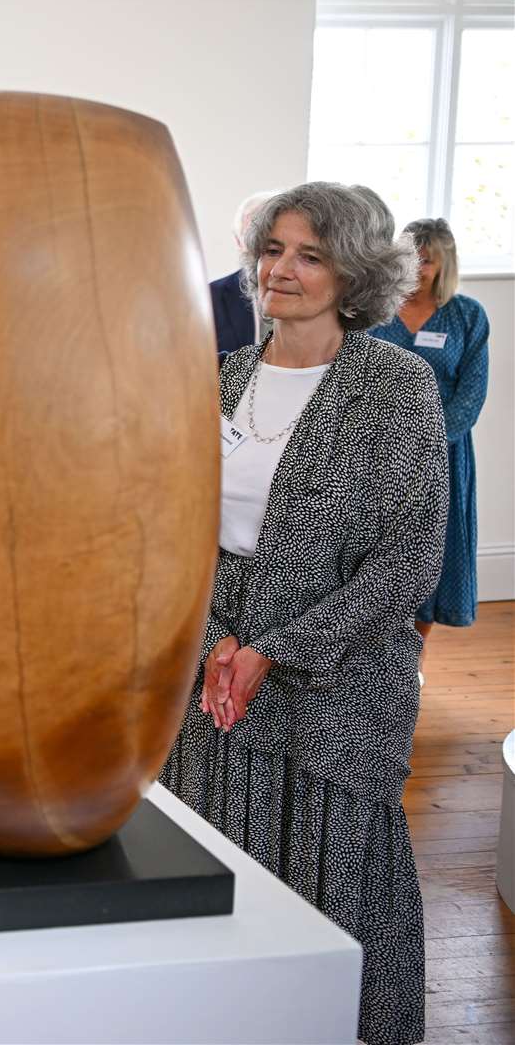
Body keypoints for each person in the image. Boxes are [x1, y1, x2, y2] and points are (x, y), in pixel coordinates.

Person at [161, 182, 448, 1045]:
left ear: (352, 273)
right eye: (274, 250)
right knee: (221, 871)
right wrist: (219, 642)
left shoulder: (397, 386)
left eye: (309, 255)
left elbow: (409, 562)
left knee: (331, 886)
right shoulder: (232, 373)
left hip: (339, 684)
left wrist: (275, 651)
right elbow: (186, 527)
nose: (280, 269)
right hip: (218, 673)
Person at [369, 218, 490, 642]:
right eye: (411, 257)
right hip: (378, 449)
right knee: (378, 549)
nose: (418, 268)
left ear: (445, 264)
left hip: (444, 453)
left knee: (434, 550)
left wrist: (429, 447)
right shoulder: (375, 311)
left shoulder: (467, 316)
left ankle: (417, 651)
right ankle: (377, 644)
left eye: (428, 261)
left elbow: (472, 394)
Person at [209, 189, 279, 361]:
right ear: (238, 241)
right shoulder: (207, 298)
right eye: (252, 237)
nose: (261, 249)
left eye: (273, 243)